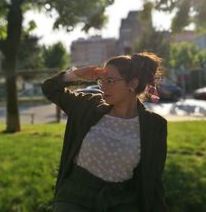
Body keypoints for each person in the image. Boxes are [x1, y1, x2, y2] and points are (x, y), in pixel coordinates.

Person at [41, 52, 168, 212]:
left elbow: (153, 180)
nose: (103, 87)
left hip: (122, 201)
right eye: (102, 80)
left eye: (111, 81)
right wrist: (76, 74)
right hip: (76, 196)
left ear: (133, 84)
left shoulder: (154, 126)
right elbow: (49, 88)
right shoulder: (88, 106)